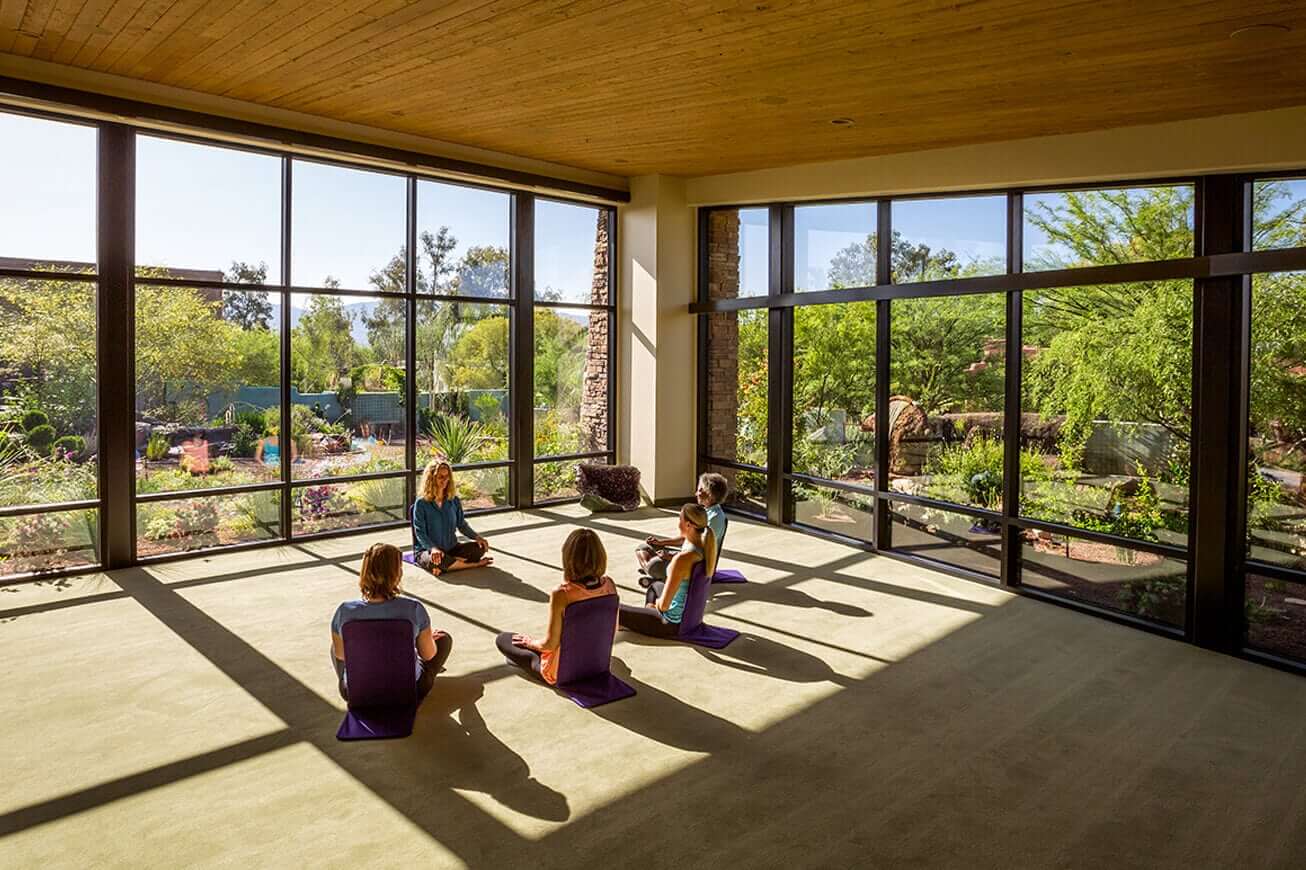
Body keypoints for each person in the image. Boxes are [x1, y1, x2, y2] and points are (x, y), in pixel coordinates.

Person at [329, 542, 452, 702]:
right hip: (409, 691)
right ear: (397, 573)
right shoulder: (413, 609)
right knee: (443, 639)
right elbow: (428, 655)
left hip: (357, 694)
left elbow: (341, 655)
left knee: (335, 646)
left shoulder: (344, 611)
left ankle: (362, 684)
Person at [496, 528, 618, 682]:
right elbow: (613, 629)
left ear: (568, 559)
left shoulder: (562, 593)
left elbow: (550, 644)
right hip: (597, 666)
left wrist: (529, 642)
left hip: (564, 673)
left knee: (504, 639)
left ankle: (527, 661)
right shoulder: (610, 585)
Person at [619, 503, 718, 637]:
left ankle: (643, 620)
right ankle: (643, 619)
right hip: (686, 617)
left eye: (680, 519)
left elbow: (664, 606)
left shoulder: (683, 559)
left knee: (615, 608)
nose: (678, 523)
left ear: (688, 525)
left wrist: (656, 606)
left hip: (670, 623)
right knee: (655, 586)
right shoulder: (703, 547)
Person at [636, 472, 728, 585]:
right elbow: (686, 539)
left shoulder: (715, 518)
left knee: (653, 565)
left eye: (700, 490)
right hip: (684, 554)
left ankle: (652, 571)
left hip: (693, 565)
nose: (696, 493)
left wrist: (671, 556)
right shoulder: (704, 512)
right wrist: (660, 542)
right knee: (642, 548)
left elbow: (699, 552)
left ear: (710, 495)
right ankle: (654, 573)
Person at [412, 459, 492, 575]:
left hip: (452, 548)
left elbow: (462, 525)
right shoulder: (421, 504)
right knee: (435, 560)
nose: (445, 480)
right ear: (431, 478)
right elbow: (420, 533)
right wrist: (433, 548)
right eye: (441, 477)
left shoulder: (454, 500)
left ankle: (449, 564)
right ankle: (471, 564)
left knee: (479, 548)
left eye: (447, 477)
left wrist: (477, 537)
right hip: (428, 550)